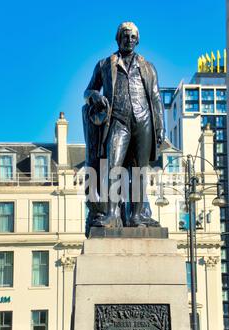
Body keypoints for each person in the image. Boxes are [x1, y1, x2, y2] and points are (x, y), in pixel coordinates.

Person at [83, 22, 165, 229]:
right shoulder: (104, 64)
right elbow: (88, 91)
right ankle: (111, 214)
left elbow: (155, 98)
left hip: (143, 119)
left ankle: (136, 216)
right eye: (125, 36)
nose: (129, 40)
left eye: (132, 37)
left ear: (137, 40)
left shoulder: (148, 67)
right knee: (114, 166)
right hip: (118, 120)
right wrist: (95, 96)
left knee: (139, 170)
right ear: (118, 39)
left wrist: (160, 126)